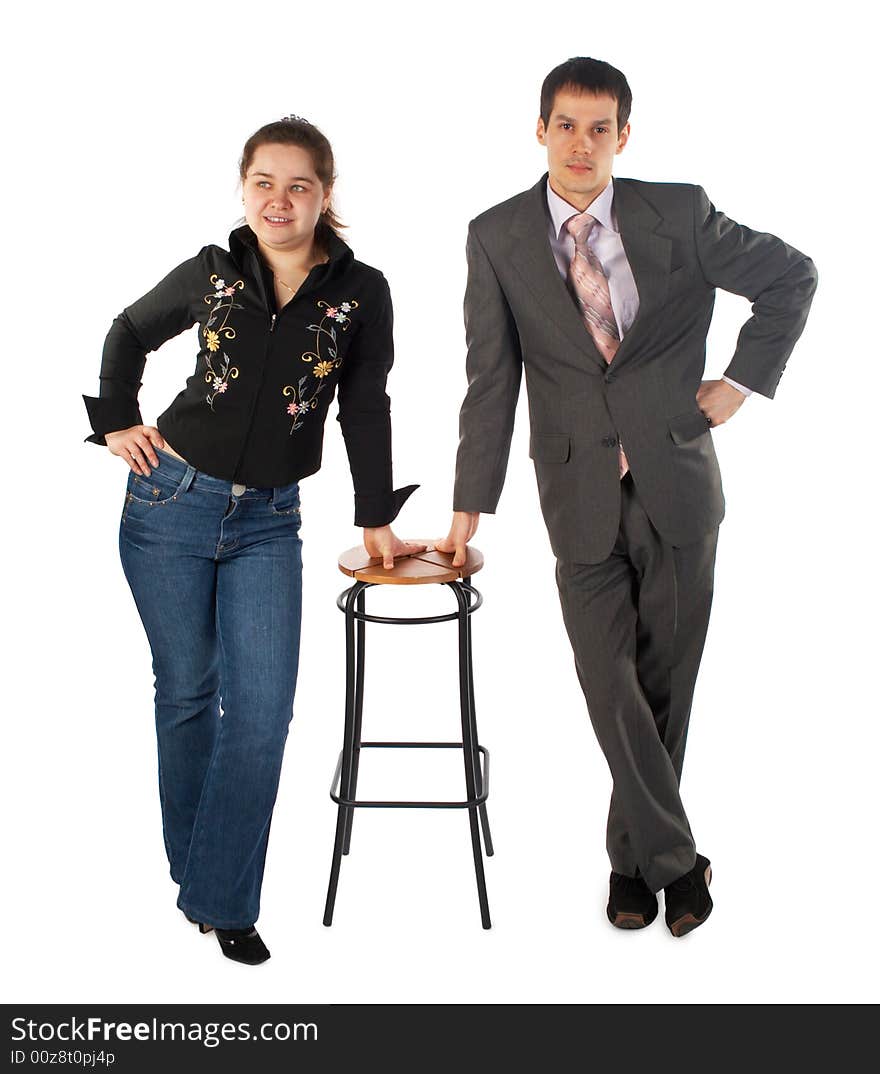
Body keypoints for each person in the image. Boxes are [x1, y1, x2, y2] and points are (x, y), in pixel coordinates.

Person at [437, 58, 817, 936]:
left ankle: (630, 868)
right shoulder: (494, 235)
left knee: (664, 684)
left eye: (599, 128)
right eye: (565, 125)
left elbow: (790, 276)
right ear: (540, 130)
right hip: (575, 493)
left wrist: (740, 383)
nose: (581, 144)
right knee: (608, 682)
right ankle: (681, 862)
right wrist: (468, 506)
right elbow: (490, 382)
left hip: (678, 480)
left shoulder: (678, 213)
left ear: (624, 136)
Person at [82, 116, 422, 965]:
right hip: (170, 505)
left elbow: (365, 405)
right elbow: (128, 330)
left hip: (270, 522)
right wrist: (118, 420)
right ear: (244, 189)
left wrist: (375, 513)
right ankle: (202, 879)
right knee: (188, 692)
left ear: (325, 195)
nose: (280, 199)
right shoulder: (211, 273)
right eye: (264, 182)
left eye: (298, 184)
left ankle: (217, 895)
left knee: (263, 712)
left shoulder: (360, 292)